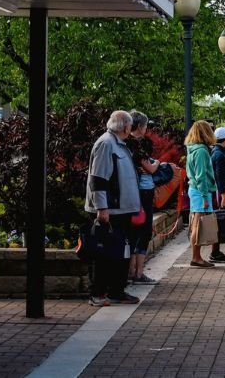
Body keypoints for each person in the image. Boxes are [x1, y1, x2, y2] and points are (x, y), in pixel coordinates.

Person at [84, 111, 142, 306]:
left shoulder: (118, 144)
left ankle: (117, 291)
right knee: (105, 255)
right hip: (111, 211)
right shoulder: (106, 144)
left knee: (120, 254)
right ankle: (98, 293)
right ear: (125, 126)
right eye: (130, 125)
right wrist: (102, 208)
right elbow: (98, 179)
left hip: (122, 210)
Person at [186, 121, 225, 266]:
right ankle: (196, 257)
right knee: (198, 226)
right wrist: (205, 197)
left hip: (194, 190)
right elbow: (201, 176)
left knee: (196, 224)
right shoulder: (201, 151)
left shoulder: (192, 149)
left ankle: (196, 256)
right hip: (200, 192)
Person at [125, 111, 159, 285]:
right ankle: (138, 272)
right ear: (140, 127)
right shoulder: (139, 145)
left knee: (131, 233)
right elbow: (150, 169)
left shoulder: (124, 144)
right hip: (143, 191)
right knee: (143, 231)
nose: (147, 129)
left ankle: (130, 271)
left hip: (130, 191)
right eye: (146, 126)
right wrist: (157, 163)